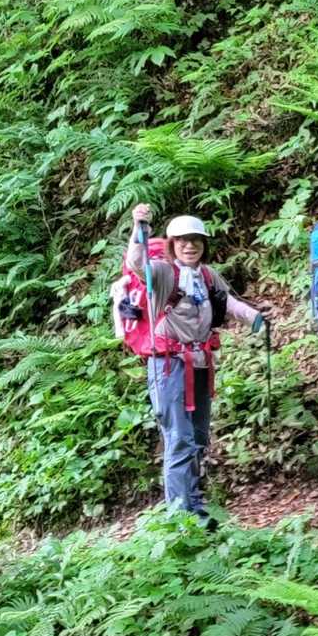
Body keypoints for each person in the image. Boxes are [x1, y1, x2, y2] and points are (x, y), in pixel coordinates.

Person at [118, 203, 266, 518]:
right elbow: (136, 263)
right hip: (168, 365)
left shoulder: (207, 275)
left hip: (199, 362)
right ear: (172, 244)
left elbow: (228, 303)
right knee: (179, 439)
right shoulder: (163, 273)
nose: (189, 246)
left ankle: (194, 505)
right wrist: (139, 227)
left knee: (198, 437)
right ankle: (180, 515)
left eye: (196, 240)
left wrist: (255, 318)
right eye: (182, 240)